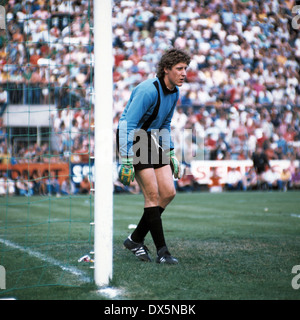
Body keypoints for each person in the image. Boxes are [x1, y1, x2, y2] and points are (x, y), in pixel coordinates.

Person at [117, 48, 191, 264]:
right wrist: (126, 158)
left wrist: (171, 155)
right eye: (179, 69)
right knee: (152, 194)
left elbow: (165, 125)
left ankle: (135, 239)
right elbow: (127, 124)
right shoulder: (148, 90)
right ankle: (163, 252)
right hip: (133, 138)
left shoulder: (175, 92)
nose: (184, 73)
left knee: (168, 192)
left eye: (185, 68)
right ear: (166, 69)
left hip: (151, 139)